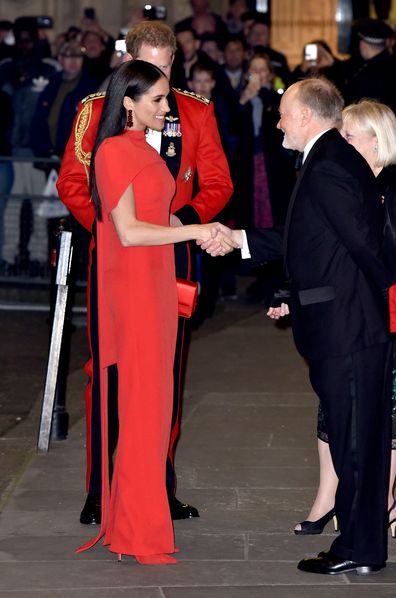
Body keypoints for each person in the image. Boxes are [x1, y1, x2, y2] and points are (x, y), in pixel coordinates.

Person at [202, 77, 394, 575]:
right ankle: (363, 545)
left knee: (355, 444)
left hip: (349, 327)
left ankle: (357, 547)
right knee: (358, 441)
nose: (279, 121)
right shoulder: (328, 159)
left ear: (307, 115)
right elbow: (309, 238)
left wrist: (388, 301)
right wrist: (241, 239)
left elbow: (366, 247)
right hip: (346, 323)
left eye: (285, 112)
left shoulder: (329, 163)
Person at [56, 21, 233, 526]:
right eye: (147, 64)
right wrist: (114, 230)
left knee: (164, 375)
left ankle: (158, 485)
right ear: (126, 62)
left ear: (177, 61)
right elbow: (72, 181)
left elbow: (218, 181)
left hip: (171, 253)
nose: (158, 75)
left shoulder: (195, 112)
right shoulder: (96, 111)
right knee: (108, 374)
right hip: (116, 258)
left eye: (165, 65)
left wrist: (189, 218)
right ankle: (101, 488)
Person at [295, 99, 396, 539]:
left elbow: (375, 257)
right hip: (351, 318)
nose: (342, 144)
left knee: (377, 422)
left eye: (349, 137)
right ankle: (338, 504)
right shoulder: (355, 181)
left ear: (377, 141)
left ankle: (375, 514)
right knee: (341, 416)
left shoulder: (388, 188)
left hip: (377, 319)